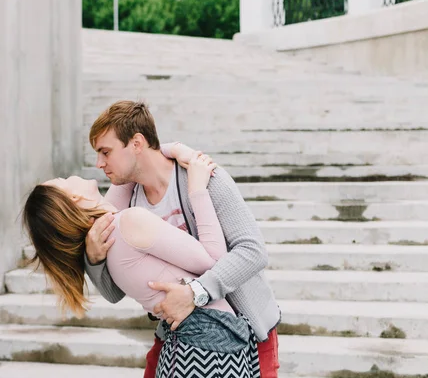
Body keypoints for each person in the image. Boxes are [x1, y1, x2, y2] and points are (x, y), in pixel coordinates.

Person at [84, 101, 281, 378]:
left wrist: (196, 292)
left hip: (246, 331)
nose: (99, 163)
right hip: (179, 338)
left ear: (137, 143)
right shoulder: (126, 199)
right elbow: (114, 292)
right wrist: (94, 259)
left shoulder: (203, 176)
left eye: (106, 152)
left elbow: (252, 251)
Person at [22, 153, 261, 378]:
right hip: (205, 347)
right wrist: (197, 190)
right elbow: (214, 260)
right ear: (73, 198)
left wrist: (173, 149)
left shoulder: (108, 239)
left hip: (195, 348)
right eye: (63, 180)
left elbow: (136, 157)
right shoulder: (128, 222)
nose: (98, 162)